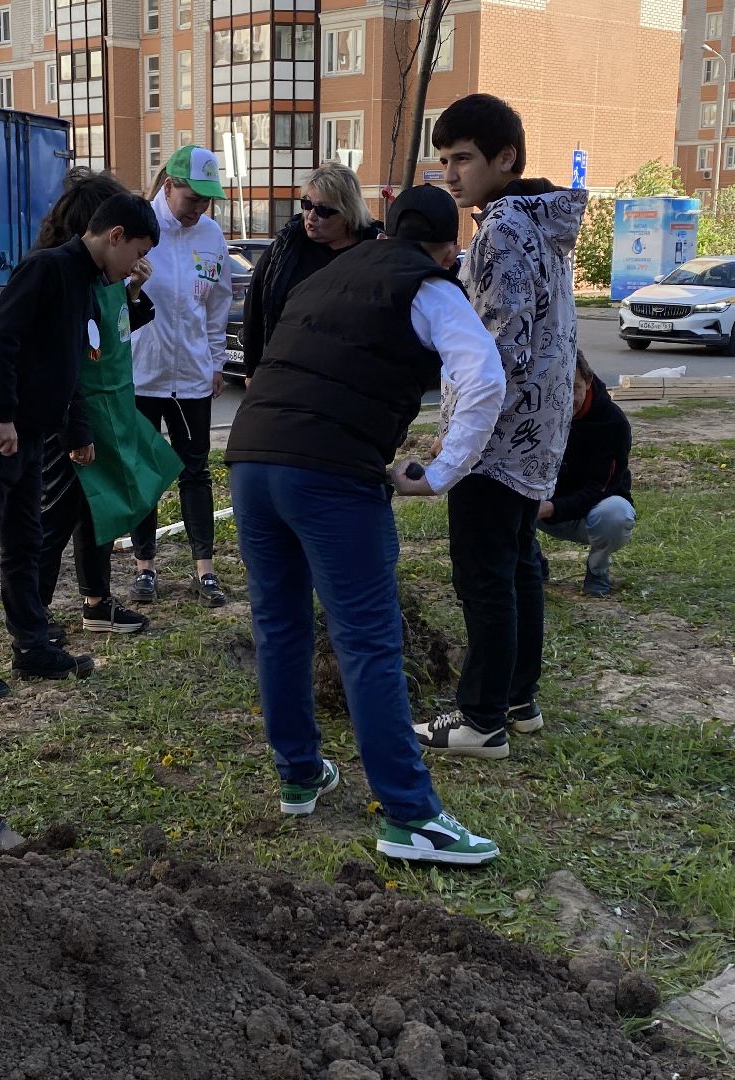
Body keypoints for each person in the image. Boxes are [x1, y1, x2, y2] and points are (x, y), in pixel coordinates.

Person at [225, 183, 507, 864]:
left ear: (385, 231)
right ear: (446, 249)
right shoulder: (430, 284)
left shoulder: (331, 273)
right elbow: (485, 375)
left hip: (250, 460)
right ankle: (412, 817)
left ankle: (299, 773)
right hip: (329, 472)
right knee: (368, 639)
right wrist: (440, 474)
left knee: (281, 623)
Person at [0, 192, 161, 701]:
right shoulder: (48, 268)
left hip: (31, 430)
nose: (136, 266)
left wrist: (75, 432)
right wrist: (3, 417)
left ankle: (31, 644)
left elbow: (70, 366)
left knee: (24, 541)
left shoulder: (85, 282)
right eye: (136, 252)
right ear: (115, 236)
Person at [414, 93, 583, 760]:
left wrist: (455, 435)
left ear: (505, 158)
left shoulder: (501, 234)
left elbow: (495, 352)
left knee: (484, 575)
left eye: (462, 159)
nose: (450, 175)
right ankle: (517, 700)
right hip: (538, 434)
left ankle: (480, 719)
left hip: (498, 438)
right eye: (444, 161)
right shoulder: (544, 226)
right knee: (517, 567)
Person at [33, 169, 180, 636]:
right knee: (54, 518)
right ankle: (31, 618)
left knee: (99, 510)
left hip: (108, 410)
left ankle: (96, 602)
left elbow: (108, 339)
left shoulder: (105, 275)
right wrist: (75, 428)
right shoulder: (62, 273)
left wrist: (133, 291)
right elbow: (64, 358)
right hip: (72, 415)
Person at [129, 145, 233, 609]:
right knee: (143, 473)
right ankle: (144, 567)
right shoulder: (137, 229)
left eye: (208, 200)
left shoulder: (211, 236)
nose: (201, 209)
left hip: (191, 373)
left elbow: (216, 304)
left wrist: (214, 361)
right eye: (193, 198)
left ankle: (204, 570)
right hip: (141, 373)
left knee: (196, 471)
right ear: (169, 187)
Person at [239, 161, 382, 364]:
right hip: (287, 368)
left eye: (323, 210)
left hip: (351, 373)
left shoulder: (374, 250)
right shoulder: (285, 249)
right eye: (306, 204)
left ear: (348, 211)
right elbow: (255, 309)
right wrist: (252, 368)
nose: (311, 216)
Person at [537, 349, 634, 597]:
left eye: (575, 388)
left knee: (616, 513)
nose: (566, 398)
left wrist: (551, 507)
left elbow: (599, 490)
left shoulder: (612, 424)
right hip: (539, 505)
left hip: (589, 513)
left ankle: (598, 569)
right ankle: (531, 560)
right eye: (559, 386)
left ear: (589, 382)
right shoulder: (535, 411)